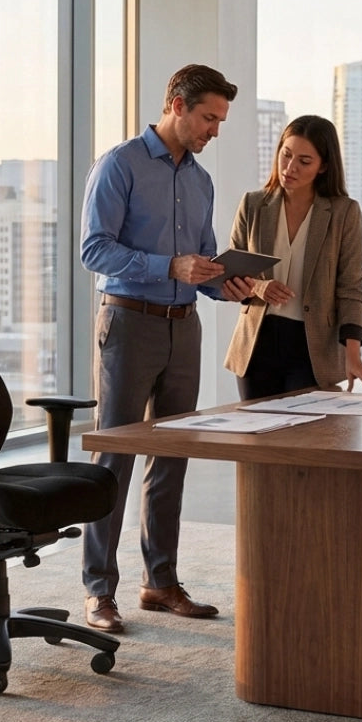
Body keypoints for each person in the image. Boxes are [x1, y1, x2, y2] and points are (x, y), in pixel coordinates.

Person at [79, 64, 252, 634]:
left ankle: (161, 581)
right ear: (177, 104)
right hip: (129, 323)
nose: (214, 131)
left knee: (171, 454)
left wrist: (228, 283)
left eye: (220, 121)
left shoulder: (200, 182)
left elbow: (200, 264)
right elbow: (94, 250)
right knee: (116, 456)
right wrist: (166, 266)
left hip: (185, 327)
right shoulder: (120, 164)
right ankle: (100, 591)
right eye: (209, 117)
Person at [223, 114, 362, 399]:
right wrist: (261, 287)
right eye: (286, 155)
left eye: (304, 161)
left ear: (323, 166)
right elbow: (231, 272)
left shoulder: (343, 213)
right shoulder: (253, 205)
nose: (290, 167)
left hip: (313, 349)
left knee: (305, 436)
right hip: (257, 345)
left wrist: (353, 354)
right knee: (256, 438)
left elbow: (350, 287)